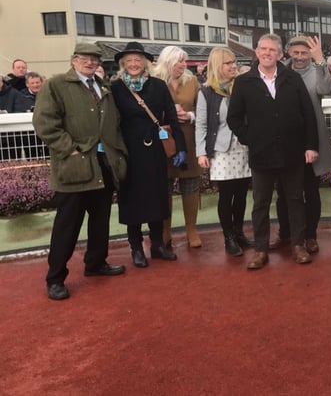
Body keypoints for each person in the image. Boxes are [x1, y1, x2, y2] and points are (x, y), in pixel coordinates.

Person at [32, 43, 127, 300]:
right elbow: (44, 124)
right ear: (74, 60)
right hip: (74, 168)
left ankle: (96, 263)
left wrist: (117, 152)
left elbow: (114, 124)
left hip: (102, 165)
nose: (90, 62)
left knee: (100, 220)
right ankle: (55, 278)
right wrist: (70, 149)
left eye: (94, 58)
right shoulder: (57, 85)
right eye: (85, 57)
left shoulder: (102, 87)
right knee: (67, 225)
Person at [227, 33, 318, 270]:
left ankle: (298, 245)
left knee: (296, 200)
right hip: (262, 154)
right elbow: (234, 118)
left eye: (272, 50)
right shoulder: (244, 82)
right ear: (256, 52)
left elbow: (308, 113)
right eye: (263, 49)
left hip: (292, 152)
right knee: (260, 204)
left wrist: (310, 145)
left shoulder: (293, 79)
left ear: (279, 54)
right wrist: (251, 139)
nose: (267, 53)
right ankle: (260, 249)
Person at [111, 42, 187, 268]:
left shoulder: (158, 85)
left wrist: (180, 147)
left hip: (154, 149)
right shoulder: (115, 88)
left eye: (138, 60)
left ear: (145, 63)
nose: (134, 64)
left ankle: (157, 245)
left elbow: (171, 117)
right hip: (129, 151)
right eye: (129, 61)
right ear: (123, 64)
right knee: (132, 201)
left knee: (157, 198)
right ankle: (136, 247)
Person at [275, 36, 331, 253]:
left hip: (312, 138)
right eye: (296, 53)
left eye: (304, 53)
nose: (300, 57)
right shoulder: (280, 71)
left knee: (310, 190)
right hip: (286, 141)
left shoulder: (316, 72)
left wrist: (321, 62)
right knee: (284, 192)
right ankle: (285, 233)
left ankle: (310, 235)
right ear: (289, 52)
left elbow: (325, 90)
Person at [196, 47, 254, 257]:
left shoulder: (242, 86)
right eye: (228, 63)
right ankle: (228, 236)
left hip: (243, 146)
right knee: (226, 195)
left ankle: (239, 233)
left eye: (234, 62)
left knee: (241, 194)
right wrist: (201, 152)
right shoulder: (206, 92)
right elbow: (201, 124)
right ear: (217, 66)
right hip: (221, 150)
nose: (233, 66)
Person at [152, 46, 205, 249]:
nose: (184, 65)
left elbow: (202, 110)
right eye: (179, 61)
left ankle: (191, 229)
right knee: (163, 187)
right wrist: (168, 115)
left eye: (185, 61)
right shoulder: (154, 83)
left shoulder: (192, 81)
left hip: (188, 139)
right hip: (163, 141)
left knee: (190, 184)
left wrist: (190, 116)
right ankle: (165, 231)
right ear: (167, 62)